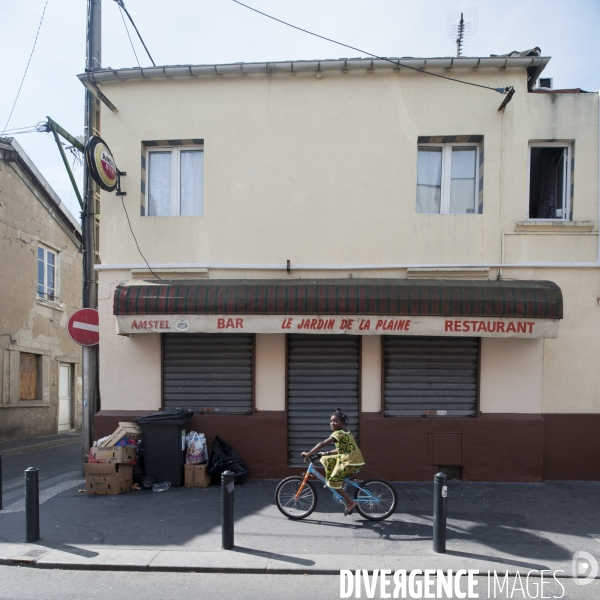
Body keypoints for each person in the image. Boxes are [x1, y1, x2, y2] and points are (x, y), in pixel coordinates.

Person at [301, 408, 365, 516]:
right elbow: (341, 449)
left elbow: (322, 443)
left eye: (335, 421)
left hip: (350, 462)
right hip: (351, 459)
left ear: (342, 423)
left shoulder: (339, 433)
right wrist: (325, 453)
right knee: (326, 459)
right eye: (331, 421)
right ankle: (331, 481)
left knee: (333, 483)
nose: (332, 423)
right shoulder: (345, 432)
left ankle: (350, 502)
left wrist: (308, 453)